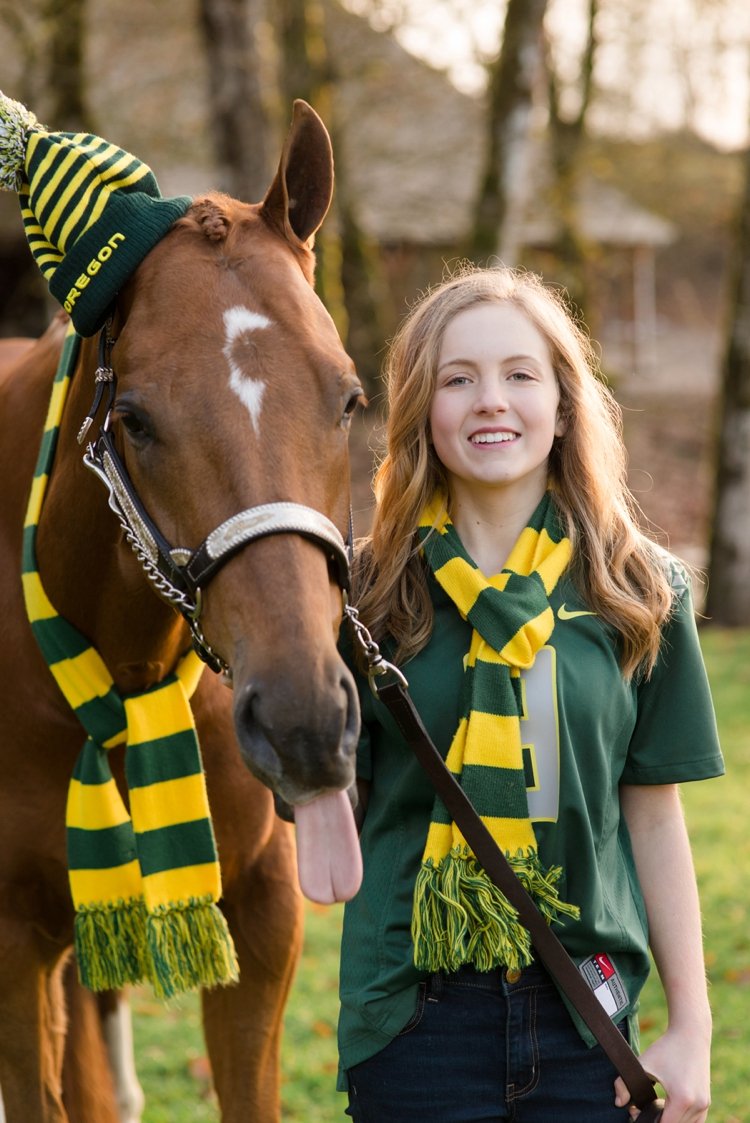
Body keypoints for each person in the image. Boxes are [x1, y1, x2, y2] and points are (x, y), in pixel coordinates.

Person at [337, 264, 724, 1123]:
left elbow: (653, 818)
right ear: (421, 411)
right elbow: (329, 807)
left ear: (563, 404)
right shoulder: (364, 600)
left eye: (519, 374)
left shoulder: (638, 590)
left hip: (585, 1023)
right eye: (458, 379)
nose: (490, 401)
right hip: (412, 1023)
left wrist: (692, 1028)